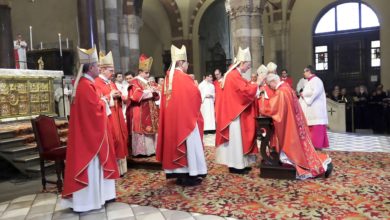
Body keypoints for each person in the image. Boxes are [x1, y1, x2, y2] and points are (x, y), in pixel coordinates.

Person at [62, 46, 119, 212]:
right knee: (92, 168)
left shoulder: (86, 84)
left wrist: (101, 101)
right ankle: (87, 202)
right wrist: (103, 102)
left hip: (88, 135)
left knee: (97, 167)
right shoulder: (86, 86)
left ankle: (98, 198)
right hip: (89, 139)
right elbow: (94, 111)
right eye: (96, 65)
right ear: (91, 67)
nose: (98, 68)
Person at [259, 73, 333, 179]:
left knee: (291, 151)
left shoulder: (281, 92)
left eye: (270, 86)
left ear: (273, 82)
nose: (272, 88)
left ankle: (294, 160)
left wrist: (262, 101)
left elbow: (273, 108)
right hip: (292, 121)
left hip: (289, 124)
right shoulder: (287, 88)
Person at [156, 45, 207, 186]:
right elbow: (195, 95)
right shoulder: (184, 78)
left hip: (173, 122)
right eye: (186, 62)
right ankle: (190, 174)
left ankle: (179, 174)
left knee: (175, 145)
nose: (187, 65)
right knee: (189, 145)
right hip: (186, 121)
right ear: (180, 63)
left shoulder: (168, 79)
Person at [215, 47, 260, 174]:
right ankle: (235, 165)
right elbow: (243, 91)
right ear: (242, 63)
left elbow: (244, 86)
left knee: (238, 140)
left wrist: (252, 85)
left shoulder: (234, 73)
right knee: (235, 140)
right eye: (248, 65)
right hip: (233, 114)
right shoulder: (233, 75)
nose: (248, 68)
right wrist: (256, 85)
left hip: (233, 112)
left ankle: (240, 163)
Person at [95, 51, 128, 176]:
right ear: (102, 70)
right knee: (114, 139)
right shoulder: (97, 83)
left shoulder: (111, 82)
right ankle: (113, 169)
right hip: (109, 117)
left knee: (121, 139)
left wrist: (119, 95)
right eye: (110, 70)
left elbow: (117, 94)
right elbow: (97, 101)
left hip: (117, 114)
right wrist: (110, 96)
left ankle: (121, 170)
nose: (113, 73)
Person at [128, 54, 160, 156]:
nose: (148, 74)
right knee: (141, 129)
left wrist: (154, 91)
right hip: (140, 109)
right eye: (146, 72)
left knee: (152, 129)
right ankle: (141, 151)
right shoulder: (135, 81)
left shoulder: (148, 82)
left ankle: (151, 150)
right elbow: (135, 96)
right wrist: (149, 91)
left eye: (148, 72)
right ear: (140, 72)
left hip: (151, 109)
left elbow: (156, 95)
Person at [299, 65, 329, 150]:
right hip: (311, 111)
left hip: (316, 112)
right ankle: (311, 148)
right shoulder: (309, 81)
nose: (303, 73)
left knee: (316, 131)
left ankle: (316, 148)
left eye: (305, 71)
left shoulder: (317, 81)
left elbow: (315, 93)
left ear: (309, 71)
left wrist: (304, 95)